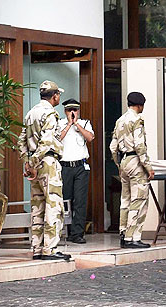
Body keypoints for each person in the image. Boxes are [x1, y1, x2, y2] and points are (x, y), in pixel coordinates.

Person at [18, 80, 71, 261]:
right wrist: (33, 161)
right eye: (58, 96)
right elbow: (47, 142)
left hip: (35, 165)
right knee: (53, 205)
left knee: (38, 206)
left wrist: (28, 162)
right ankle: (50, 249)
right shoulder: (50, 113)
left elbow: (21, 140)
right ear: (54, 96)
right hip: (47, 162)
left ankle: (37, 248)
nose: (59, 98)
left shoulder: (31, 113)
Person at [109, 92, 155, 249]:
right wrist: (147, 166)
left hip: (124, 162)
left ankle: (123, 233)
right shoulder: (137, 120)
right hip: (135, 161)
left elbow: (113, 146)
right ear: (140, 105)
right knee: (139, 200)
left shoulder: (120, 120)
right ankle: (133, 237)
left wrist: (118, 163)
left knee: (125, 200)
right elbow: (140, 145)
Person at [58, 98, 95, 244]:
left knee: (80, 201)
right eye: (69, 110)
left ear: (78, 111)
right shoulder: (59, 123)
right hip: (64, 166)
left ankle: (77, 233)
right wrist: (68, 124)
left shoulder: (85, 123)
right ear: (65, 111)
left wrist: (76, 124)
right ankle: (62, 231)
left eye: (75, 110)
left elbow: (90, 137)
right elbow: (58, 138)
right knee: (64, 200)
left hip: (80, 167)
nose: (72, 113)